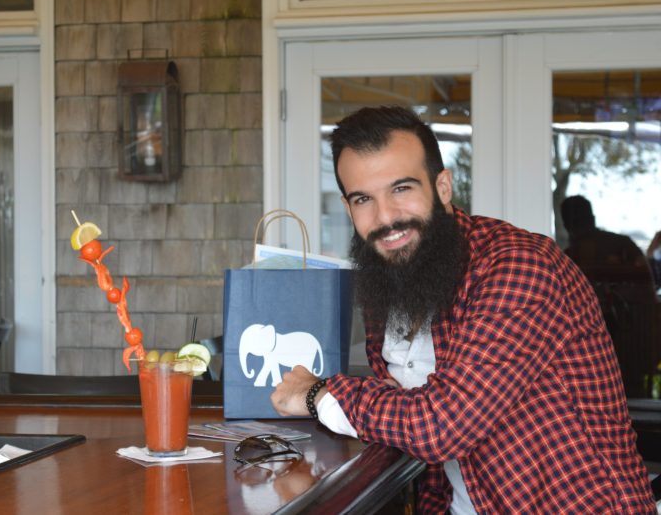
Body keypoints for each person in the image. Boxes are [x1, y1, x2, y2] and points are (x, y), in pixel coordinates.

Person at [270, 105, 655, 513]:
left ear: (443, 187)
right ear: (349, 209)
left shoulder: (519, 265)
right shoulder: (393, 276)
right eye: (365, 198)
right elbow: (414, 430)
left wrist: (318, 394)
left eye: (402, 189)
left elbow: (442, 426)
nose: (385, 217)